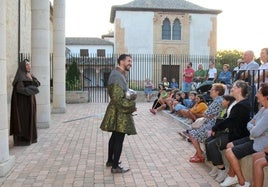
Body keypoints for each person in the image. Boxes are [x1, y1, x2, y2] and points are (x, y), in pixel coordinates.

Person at [220, 83, 268, 187]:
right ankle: (233, 176)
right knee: (229, 145)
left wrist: (254, 128)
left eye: (259, 92)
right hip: (255, 139)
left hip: (259, 143)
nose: (256, 95)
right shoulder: (263, 109)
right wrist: (254, 127)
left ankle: (241, 181)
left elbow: (254, 131)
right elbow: (250, 123)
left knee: (230, 152)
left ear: (266, 96)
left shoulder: (266, 112)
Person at [206, 81, 251, 183]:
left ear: (240, 89)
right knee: (208, 141)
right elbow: (228, 118)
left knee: (213, 144)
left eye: (234, 87)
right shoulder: (235, 102)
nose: (232, 89)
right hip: (230, 132)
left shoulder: (243, 105)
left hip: (237, 136)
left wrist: (215, 128)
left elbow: (230, 121)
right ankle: (216, 165)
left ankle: (222, 169)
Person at [100, 54, 137, 173]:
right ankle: (115, 167)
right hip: (119, 111)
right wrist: (132, 106)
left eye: (131, 61)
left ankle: (111, 161)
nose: (130, 63)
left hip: (117, 110)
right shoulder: (116, 76)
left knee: (115, 136)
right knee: (119, 138)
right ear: (121, 61)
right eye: (128, 61)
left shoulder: (119, 74)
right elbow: (117, 98)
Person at [184, 83, 225, 163]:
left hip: (211, 125)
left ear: (217, 92)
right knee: (193, 130)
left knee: (192, 134)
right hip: (210, 123)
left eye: (212, 90)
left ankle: (200, 155)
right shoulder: (218, 100)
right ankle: (198, 153)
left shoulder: (217, 101)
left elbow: (206, 114)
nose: (210, 91)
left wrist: (207, 115)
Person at [10, 59, 40, 146]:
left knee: (31, 119)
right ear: (23, 66)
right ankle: (23, 140)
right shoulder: (20, 76)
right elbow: (19, 89)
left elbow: (37, 84)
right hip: (23, 104)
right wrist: (32, 89)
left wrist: (31, 79)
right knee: (24, 121)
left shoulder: (29, 75)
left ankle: (31, 138)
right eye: (27, 65)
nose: (29, 66)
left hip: (30, 102)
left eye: (29, 64)